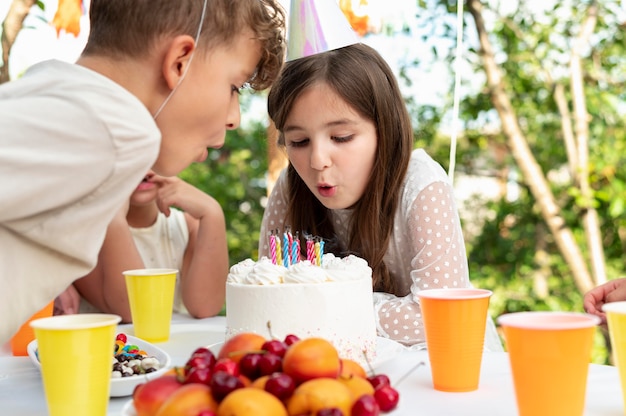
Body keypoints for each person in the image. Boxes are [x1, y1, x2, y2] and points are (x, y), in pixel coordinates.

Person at [0, 0, 285, 344]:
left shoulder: (46, 92)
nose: (234, 118)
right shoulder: (121, 129)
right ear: (180, 61)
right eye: (233, 87)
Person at [259, 43, 502, 350]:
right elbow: (267, 294)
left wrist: (321, 307)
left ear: (384, 130)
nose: (317, 159)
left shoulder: (420, 184)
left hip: (446, 371)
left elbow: (441, 316)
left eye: (341, 137)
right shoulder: (291, 187)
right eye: (298, 141)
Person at [57, 171, 228, 322]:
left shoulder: (189, 226)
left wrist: (212, 212)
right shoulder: (81, 234)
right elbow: (134, 313)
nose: (144, 165)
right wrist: (115, 219)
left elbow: (204, 308)